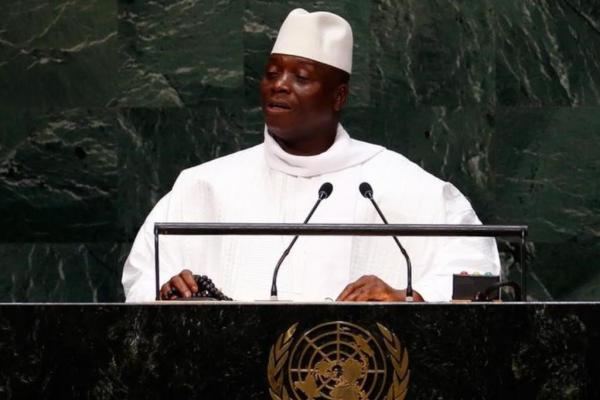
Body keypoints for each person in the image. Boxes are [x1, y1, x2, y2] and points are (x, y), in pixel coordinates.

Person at [122, 9, 500, 303]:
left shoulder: (400, 185)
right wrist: (164, 294)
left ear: (338, 97)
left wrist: (411, 297)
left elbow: (482, 284)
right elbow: (141, 279)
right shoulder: (204, 186)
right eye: (272, 74)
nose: (280, 86)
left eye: (301, 77)